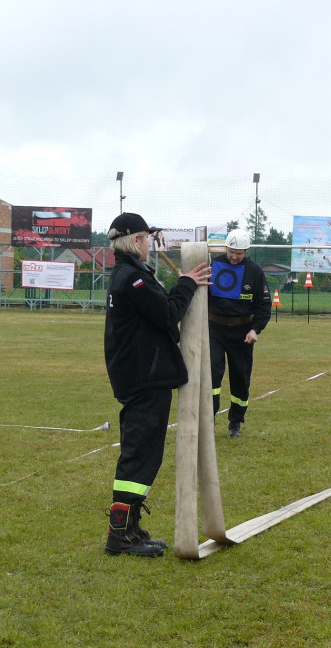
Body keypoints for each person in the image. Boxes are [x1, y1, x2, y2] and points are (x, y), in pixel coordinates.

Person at [103, 212, 212, 557]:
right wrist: (188, 284)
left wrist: (181, 284)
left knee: (145, 455)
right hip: (143, 378)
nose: (149, 244)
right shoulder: (132, 279)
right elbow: (167, 314)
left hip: (143, 375)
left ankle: (130, 529)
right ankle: (119, 533)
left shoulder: (132, 275)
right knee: (139, 454)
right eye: (146, 238)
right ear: (136, 241)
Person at [207, 228, 272, 437]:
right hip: (214, 330)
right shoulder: (213, 265)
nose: (234, 257)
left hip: (242, 333)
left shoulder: (255, 272)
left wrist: (255, 330)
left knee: (241, 379)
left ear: (246, 251)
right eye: (231, 251)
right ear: (226, 248)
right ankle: (208, 419)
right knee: (211, 375)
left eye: (239, 253)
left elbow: (264, 306)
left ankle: (235, 421)